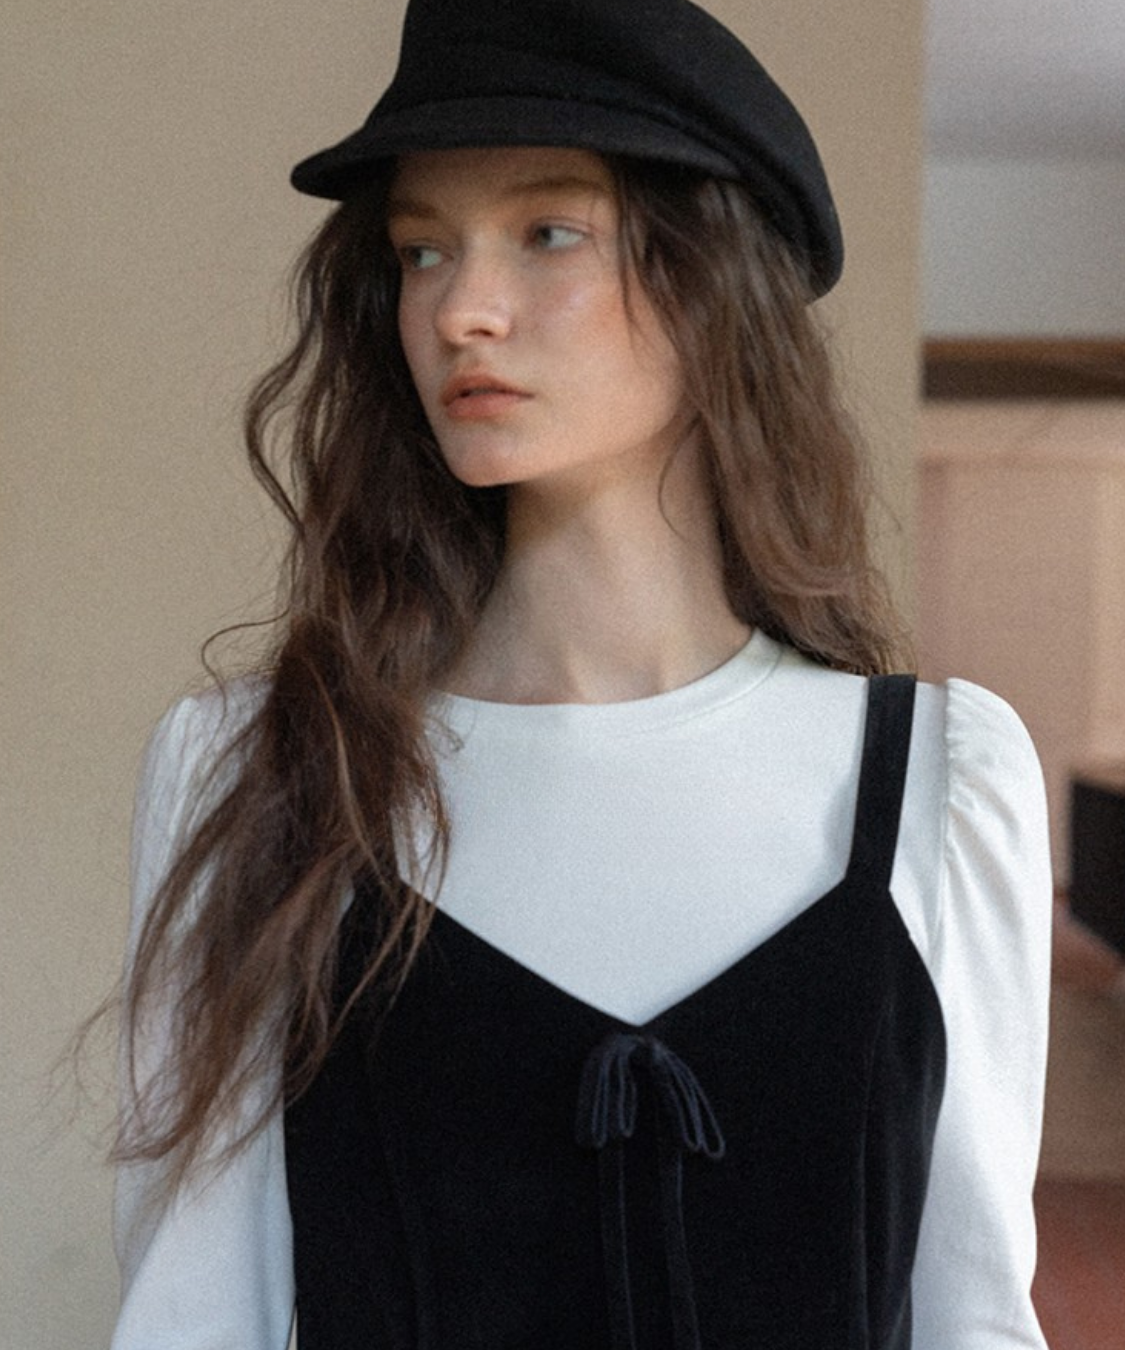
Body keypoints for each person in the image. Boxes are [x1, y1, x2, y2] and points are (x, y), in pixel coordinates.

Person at [109, 1, 1053, 1347]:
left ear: (713, 280)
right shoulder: (262, 772)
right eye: (422, 249)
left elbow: (976, 1317)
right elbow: (191, 1321)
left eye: (549, 231)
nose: (461, 309)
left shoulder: (937, 783)